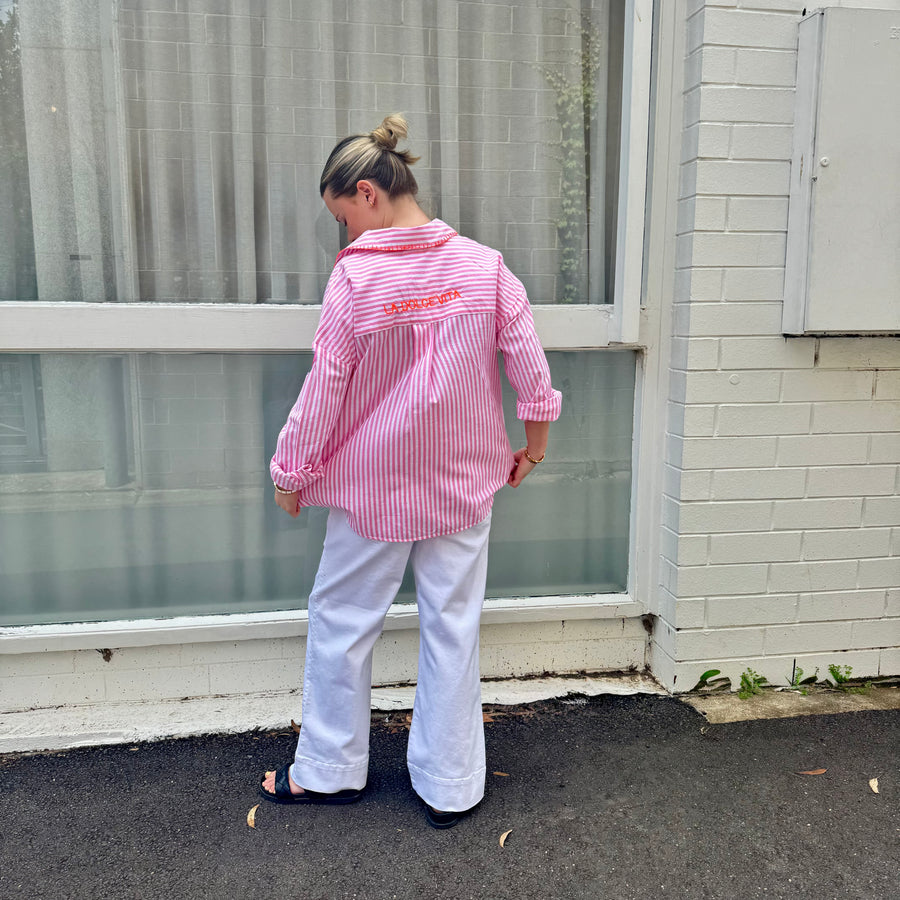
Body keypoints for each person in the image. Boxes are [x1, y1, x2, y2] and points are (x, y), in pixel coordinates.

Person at [259, 114, 561, 829]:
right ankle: (451, 786)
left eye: (344, 219)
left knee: (341, 620)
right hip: (463, 484)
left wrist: (291, 471)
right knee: (452, 626)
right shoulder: (484, 267)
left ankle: (331, 772)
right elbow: (531, 370)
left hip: (372, 491)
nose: (347, 238)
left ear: (367, 193)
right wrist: (535, 446)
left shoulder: (358, 280)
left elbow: (326, 384)